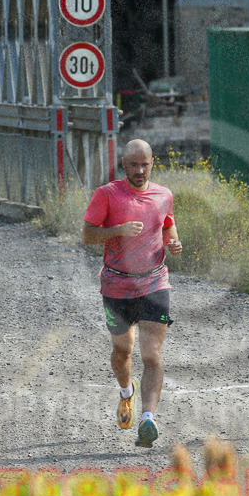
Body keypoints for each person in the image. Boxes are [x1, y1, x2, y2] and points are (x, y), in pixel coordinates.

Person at [82, 139, 182, 448]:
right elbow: (87, 235)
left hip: (154, 283)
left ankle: (147, 419)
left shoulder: (164, 195)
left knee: (152, 354)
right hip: (117, 284)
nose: (140, 170)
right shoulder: (107, 194)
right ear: (124, 165)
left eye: (145, 164)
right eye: (134, 165)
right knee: (123, 350)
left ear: (153, 163)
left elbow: (167, 226)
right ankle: (127, 392)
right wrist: (117, 230)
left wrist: (173, 242)